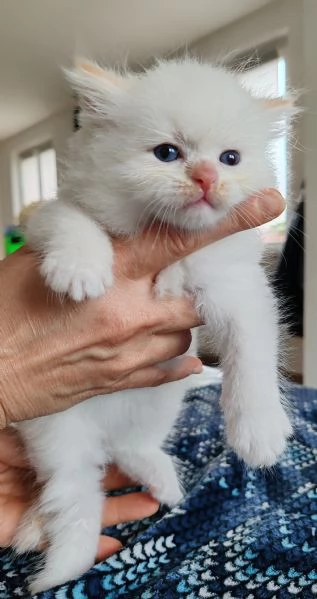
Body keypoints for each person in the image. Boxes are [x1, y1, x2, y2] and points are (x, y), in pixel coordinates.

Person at [0, 189, 284, 559]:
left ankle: (137, 448)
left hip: (144, 401)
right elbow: (58, 218)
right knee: (66, 443)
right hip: (61, 412)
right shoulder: (83, 212)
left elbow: (245, 310)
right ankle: (68, 490)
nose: (205, 181)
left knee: (170, 374)